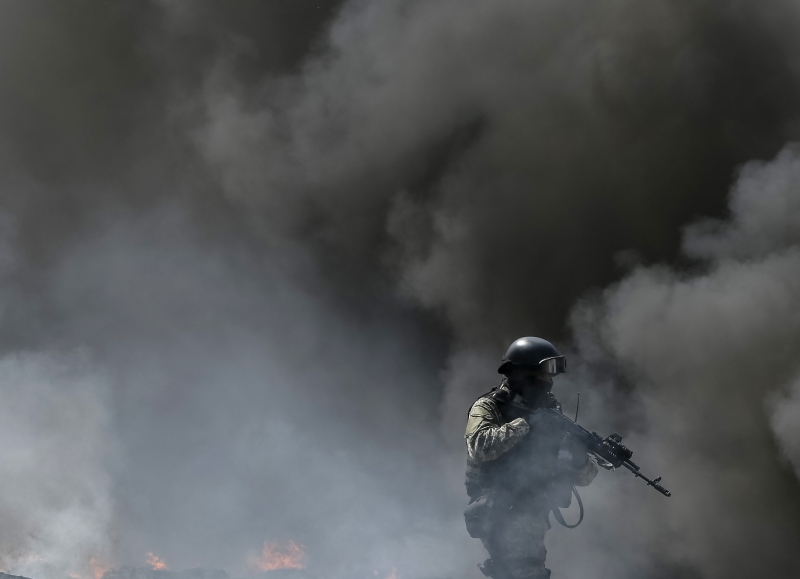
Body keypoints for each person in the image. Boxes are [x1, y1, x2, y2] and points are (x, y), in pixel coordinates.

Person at [464, 337, 598, 579]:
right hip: (501, 510)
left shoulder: (550, 413)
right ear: (521, 374)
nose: (548, 383)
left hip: (533, 514)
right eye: (541, 376)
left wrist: (579, 458)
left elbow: (585, 477)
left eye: (549, 378)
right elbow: (479, 446)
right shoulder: (489, 407)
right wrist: (527, 425)